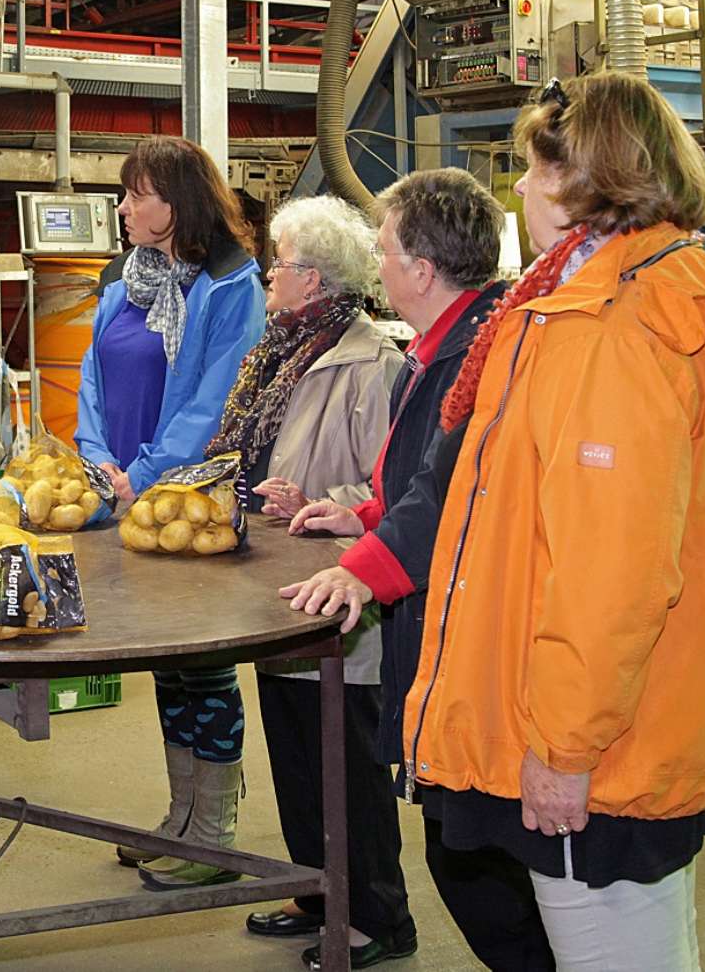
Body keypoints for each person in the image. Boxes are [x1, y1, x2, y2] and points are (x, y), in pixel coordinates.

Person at [397, 72, 705, 969]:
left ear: (583, 181)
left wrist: (567, 748)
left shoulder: (619, 328)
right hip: (607, 728)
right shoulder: (579, 306)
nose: (516, 190)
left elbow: (610, 572)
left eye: (530, 170)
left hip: (602, 749)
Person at [279, 169, 542, 969]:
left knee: (471, 860)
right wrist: (359, 516)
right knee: (463, 853)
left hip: (464, 632)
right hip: (436, 616)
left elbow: (449, 493)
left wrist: (365, 566)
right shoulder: (446, 348)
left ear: (421, 272)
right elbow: (413, 481)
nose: (377, 268)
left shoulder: (475, 353)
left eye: (385, 252)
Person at [186, 194, 417, 963]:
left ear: (313, 278)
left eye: (277, 265)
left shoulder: (370, 364)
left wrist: (325, 503)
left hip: (342, 594)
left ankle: (377, 917)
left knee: (345, 763)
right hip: (280, 585)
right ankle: (319, 890)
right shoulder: (278, 353)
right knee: (294, 752)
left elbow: (397, 486)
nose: (266, 278)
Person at [72, 137, 265, 884]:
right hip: (119, 494)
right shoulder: (124, 280)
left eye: (137, 194)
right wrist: (95, 458)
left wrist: (143, 475)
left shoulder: (229, 285)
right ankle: (180, 820)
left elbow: (214, 402)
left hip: (186, 502)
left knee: (204, 664)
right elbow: (91, 373)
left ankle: (212, 836)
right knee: (167, 666)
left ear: (177, 204)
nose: (122, 208)